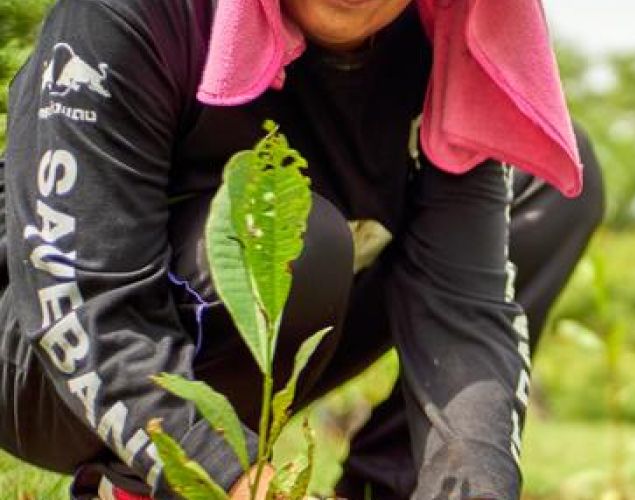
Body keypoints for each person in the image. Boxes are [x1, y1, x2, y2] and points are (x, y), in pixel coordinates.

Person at [0, 0, 586, 497]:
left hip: (274, 324)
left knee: (545, 180)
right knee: (291, 235)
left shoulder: (448, 40)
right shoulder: (129, 16)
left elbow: (466, 310)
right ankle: (139, 477)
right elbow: (84, 294)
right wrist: (221, 472)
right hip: (46, 357)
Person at [337, 126, 606, 498]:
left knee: (551, 152)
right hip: (240, 327)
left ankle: (394, 484)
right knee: (317, 237)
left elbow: (468, 307)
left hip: (353, 289)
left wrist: (474, 487)